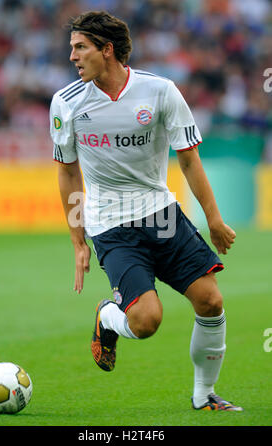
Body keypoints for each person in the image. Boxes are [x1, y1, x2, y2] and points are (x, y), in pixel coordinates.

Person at [50, 10, 243, 411]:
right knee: (146, 321)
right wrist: (77, 239)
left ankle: (204, 395)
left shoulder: (161, 91)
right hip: (111, 225)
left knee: (211, 301)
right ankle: (108, 317)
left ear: (107, 50)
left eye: (80, 47)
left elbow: (189, 159)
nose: (72, 57)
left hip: (160, 212)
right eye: (72, 48)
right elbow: (68, 172)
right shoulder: (66, 103)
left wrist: (214, 220)